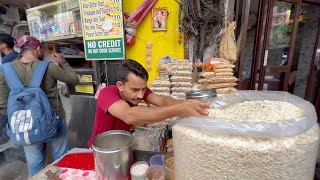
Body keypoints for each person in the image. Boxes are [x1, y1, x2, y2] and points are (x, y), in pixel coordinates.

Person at [0, 35, 79, 177]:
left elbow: (3, 102)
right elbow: (74, 79)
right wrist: (63, 62)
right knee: (61, 160)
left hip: (25, 124)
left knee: (35, 164)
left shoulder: (5, 70)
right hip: (54, 119)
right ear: (37, 49)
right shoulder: (48, 67)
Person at [88, 59, 210, 147]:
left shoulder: (140, 91)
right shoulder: (107, 94)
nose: (141, 95)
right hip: (102, 149)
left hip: (124, 145)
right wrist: (178, 109)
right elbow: (129, 115)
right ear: (120, 85)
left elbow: (162, 100)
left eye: (143, 89)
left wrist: (186, 105)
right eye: (135, 90)